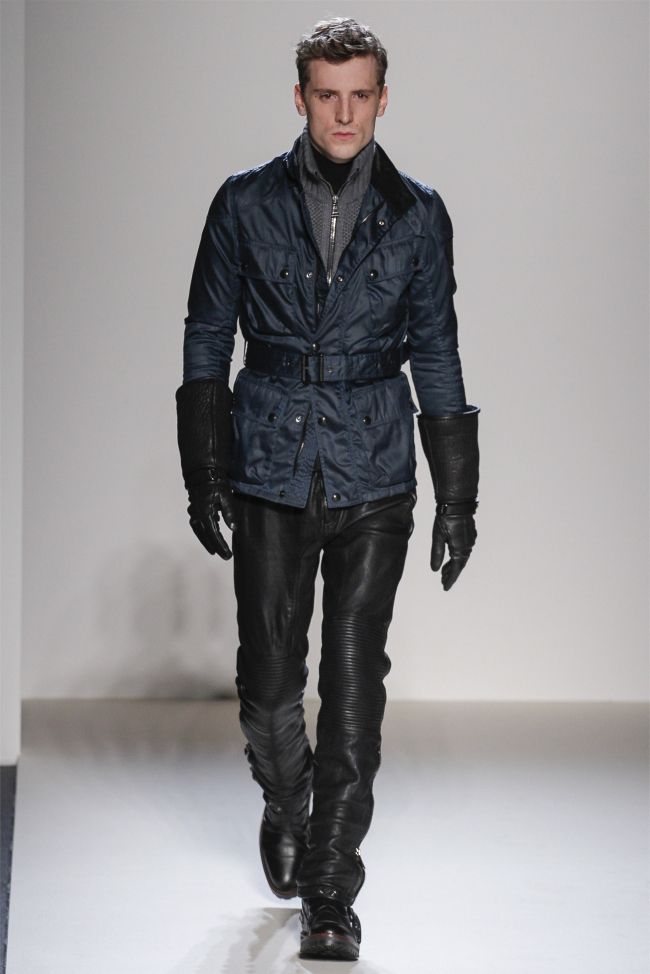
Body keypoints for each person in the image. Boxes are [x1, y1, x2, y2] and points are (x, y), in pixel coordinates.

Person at [175, 17, 480, 962]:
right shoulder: (243, 204)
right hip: (270, 462)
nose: (343, 114)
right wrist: (204, 468)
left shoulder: (419, 215)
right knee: (269, 690)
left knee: (353, 687)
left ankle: (330, 891)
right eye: (326, 95)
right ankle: (286, 802)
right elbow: (206, 336)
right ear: (301, 97)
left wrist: (458, 496)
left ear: (383, 99)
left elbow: (436, 351)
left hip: (375, 468)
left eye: (359, 96)